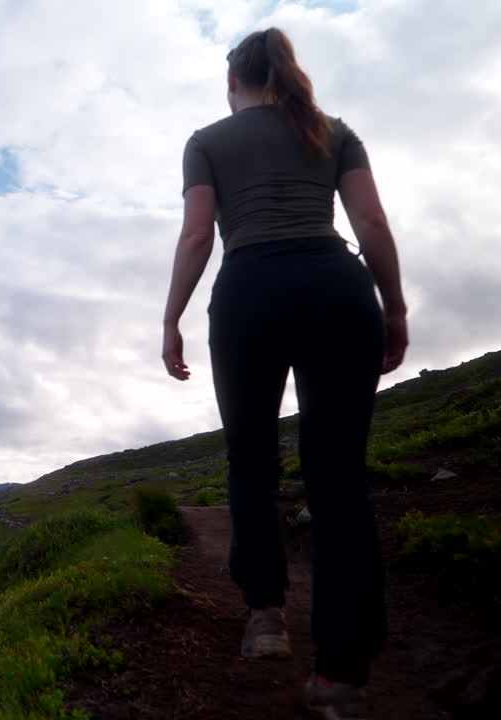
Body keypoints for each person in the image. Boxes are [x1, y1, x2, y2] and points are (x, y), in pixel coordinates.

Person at [160, 27, 409, 720]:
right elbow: (371, 223)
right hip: (338, 289)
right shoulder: (335, 133)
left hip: (248, 296)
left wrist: (170, 319)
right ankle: (340, 678)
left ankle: (265, 617)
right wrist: (394, 308)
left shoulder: (207, 140)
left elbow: (196, 234)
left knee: (250, 461)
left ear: (234, 83)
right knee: (338, 480)